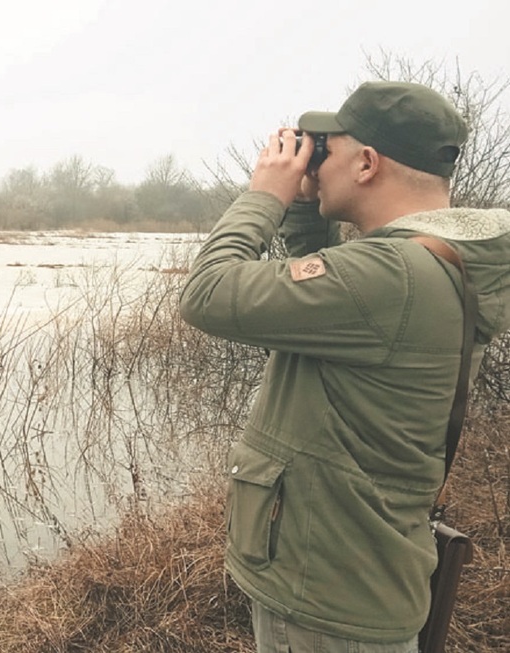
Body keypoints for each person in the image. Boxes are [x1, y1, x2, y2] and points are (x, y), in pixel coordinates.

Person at [179, 81, 510, 651]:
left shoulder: (392, 274)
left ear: (366, 164)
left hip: (324, 597)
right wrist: (308, 213)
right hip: (359, 574)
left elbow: (207, 293)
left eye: (326, 151)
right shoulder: (435, 262)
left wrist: (266, 196)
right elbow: (331, 309)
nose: (315, 163)